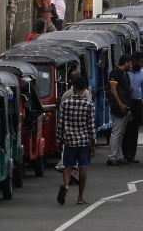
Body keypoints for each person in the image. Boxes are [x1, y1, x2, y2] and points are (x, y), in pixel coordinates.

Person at [57, 76, 95, 206]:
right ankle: (80, 197)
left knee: (68, 165)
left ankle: (66, 185)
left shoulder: (66, 103)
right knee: (83, 167)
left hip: (69, 140)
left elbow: (60, 123)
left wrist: (59, 140)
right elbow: (91, 125)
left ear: (73, 88)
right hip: (84, 141)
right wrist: (93, 142)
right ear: (85, 88)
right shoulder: (89, 104)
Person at [107, 54, 133, 166]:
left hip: (126, 107)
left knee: (121, 133)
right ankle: (111, 157)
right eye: (130, 63)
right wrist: (120, 104)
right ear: (126, 62)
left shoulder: (125, 74)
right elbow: (113, 90)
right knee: (116, 132)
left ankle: (117, 156)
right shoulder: (115, 73)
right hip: (118, 107)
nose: (131, 65)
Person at [123, 52, 143, 163]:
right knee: (125, 129)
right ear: (134, 61)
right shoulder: (125, 73)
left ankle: (131, 154)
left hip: (137, 103)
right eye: (141, 62)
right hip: (126, 102)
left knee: (134, 130)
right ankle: (124, 154)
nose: (142, 65)